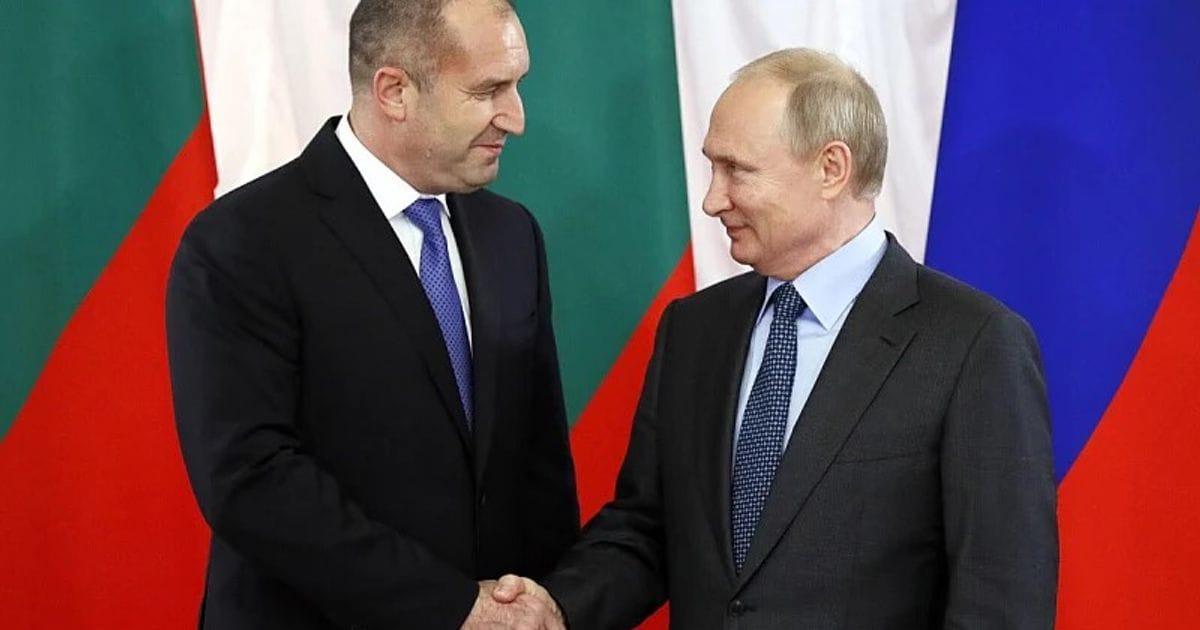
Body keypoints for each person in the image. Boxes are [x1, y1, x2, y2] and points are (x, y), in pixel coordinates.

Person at [495, 47, 1058, 629]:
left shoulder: (974, 344)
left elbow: (1001, 602)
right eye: (712, 168)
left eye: (736, 170)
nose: (712, 200)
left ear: (831, 168)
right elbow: (648, 528)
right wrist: (557, 608)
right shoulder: (694, 329)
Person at [165, 1, 579, 628]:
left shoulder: (511, 234)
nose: (515, 118)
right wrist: (452, 608)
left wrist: (545, 607)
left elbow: (537, 466)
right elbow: (250, 479)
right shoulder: (243, 241)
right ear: (394, 91)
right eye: (487, 91)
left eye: (517, 85)